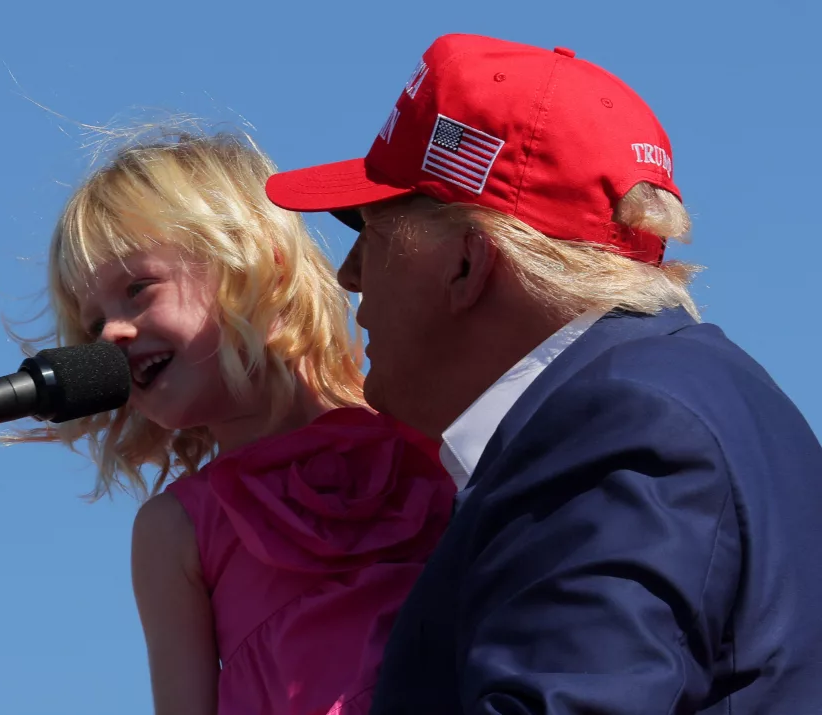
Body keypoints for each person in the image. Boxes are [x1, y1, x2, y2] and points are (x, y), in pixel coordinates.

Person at [265, 33, 822, 714]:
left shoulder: (623, 426)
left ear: (468, 264)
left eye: (372, 233)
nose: (349, 274)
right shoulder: (690, 395)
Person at [18, 126, 456, 715]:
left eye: (138, 289)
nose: (111, 334)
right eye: (94, 322)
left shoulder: (423, 426)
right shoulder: (176, 532)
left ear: (258, 271)